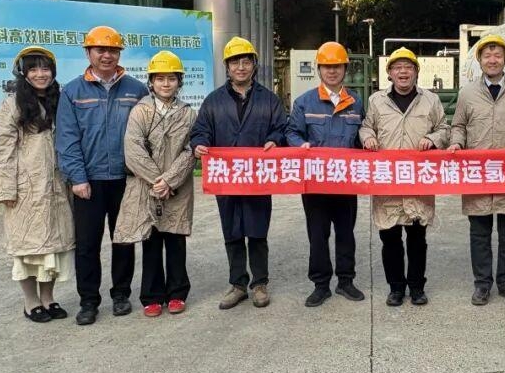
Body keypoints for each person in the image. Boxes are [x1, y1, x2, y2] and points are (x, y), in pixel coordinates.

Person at [56, 25, 148, 326]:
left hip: (127, 178)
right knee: (87, 245)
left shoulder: (136, 90)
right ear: (88, 53)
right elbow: (67, 139)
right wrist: (77, 178)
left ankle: (121, 294)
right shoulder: (72, 92)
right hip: (89, 181)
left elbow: (147, 134)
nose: (107, 55)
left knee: (124, 240)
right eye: (100, 50)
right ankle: (88, 301)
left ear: (119, 54)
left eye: (113, 50)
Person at [191, 37, 287, 311]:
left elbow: (281, 128)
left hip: (257, 177)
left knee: (257, 231)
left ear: (254, 65)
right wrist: (199, 144)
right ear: (227, 67)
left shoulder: (269, 99)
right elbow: (200, 130)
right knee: (232, 231)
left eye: (246, 62)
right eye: (235, 62)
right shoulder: (213, 101)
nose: (241, 67)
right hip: (227, 178)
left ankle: (259, 284)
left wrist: (275, 140)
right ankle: (237, 284)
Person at [448, 34, 505, 306]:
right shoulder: (467, 93)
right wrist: (456, 143)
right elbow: (459, 126)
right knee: (479, 235)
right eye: (487, 55)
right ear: (479, 60)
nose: (492, 60)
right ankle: (482, 285)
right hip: (478, 174)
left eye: (497, 55)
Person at [0, 47, 75, 323]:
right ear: (23, 73)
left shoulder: (60, 101)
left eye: (45, 68)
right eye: (34, 69)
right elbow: (1, 150)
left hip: (57, 186)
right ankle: (30, 301)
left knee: (53, 248)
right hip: (25, 188)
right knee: (27, 249)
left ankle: (48, 298)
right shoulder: (13, 105)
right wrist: (5, 189)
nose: (40, 74)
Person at [360, 47, 450, 306]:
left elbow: (444, 129)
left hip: (418, 181)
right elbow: (366, 126)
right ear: (389, 73)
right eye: (397, 67)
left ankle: (417, 287)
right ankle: (396, 288)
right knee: (389, 238)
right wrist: (368, 138)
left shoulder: (430, 100)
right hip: (387, 180)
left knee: (417, 239)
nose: (403, 72)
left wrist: (432, 139)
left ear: (416, 72)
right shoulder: (376, 101)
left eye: (408, 67)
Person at [114, 51, 197, 317]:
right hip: (146, 187)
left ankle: (177, 293)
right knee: (150, 241)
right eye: (160, 78)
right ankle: (151, 296)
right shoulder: (140, 111)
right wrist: (157, 181)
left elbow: (191, 150)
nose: (165, 84)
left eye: (171, 78)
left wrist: (170, 180)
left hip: (177, 188)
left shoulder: (188, 113)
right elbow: (133, 149)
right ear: (151, 82)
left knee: (175, 240)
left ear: (179, 81)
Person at [287, 41, 365, 308]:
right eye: (326, 66)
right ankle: (321, 285)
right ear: (318, 69)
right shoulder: (304, 102)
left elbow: (363, 135)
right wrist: (300, 145)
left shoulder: (356, 102)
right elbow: (292, 132)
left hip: (346, 181)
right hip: (315, 184)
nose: (332, 71)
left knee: (346, 233)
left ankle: (346, 281)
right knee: (317, 235)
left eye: (337, 66)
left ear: (345, 69)